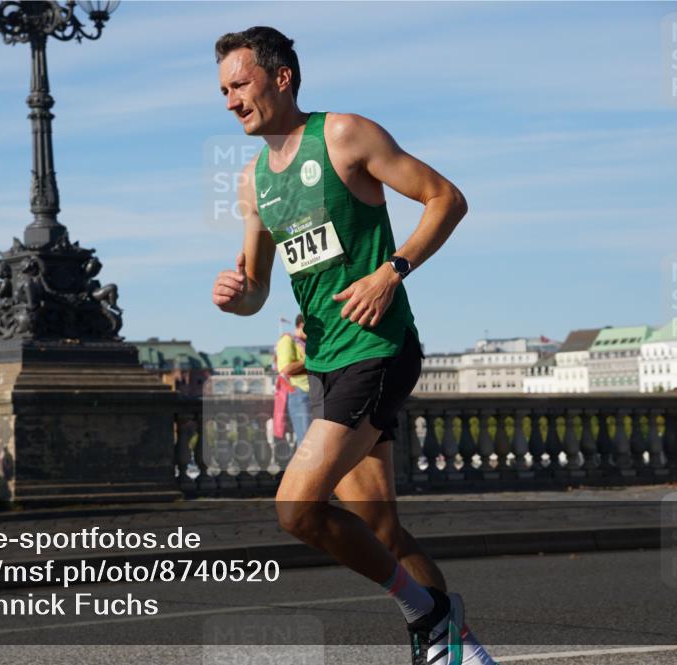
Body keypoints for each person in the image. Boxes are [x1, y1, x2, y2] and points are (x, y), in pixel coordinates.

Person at [210, 27, 495, 665]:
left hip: (378, 348)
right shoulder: (254, 183)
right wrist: (237, 296)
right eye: (223, 91)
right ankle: (457, 650)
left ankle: (429, 614)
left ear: (282, 78)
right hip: (325, 362)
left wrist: (391, 271)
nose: (230, 102)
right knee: (382, 529)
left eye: (240, 85)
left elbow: (446, 199)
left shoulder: (344, 135)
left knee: (296, 508)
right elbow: (258, 289)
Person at [276, 314, 311, 445]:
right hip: (300, 393)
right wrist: (312, 360)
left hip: (312, 394)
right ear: (302, 325)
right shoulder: (287, 340)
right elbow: (286, 369)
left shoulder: (304, 343)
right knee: (306, 441)